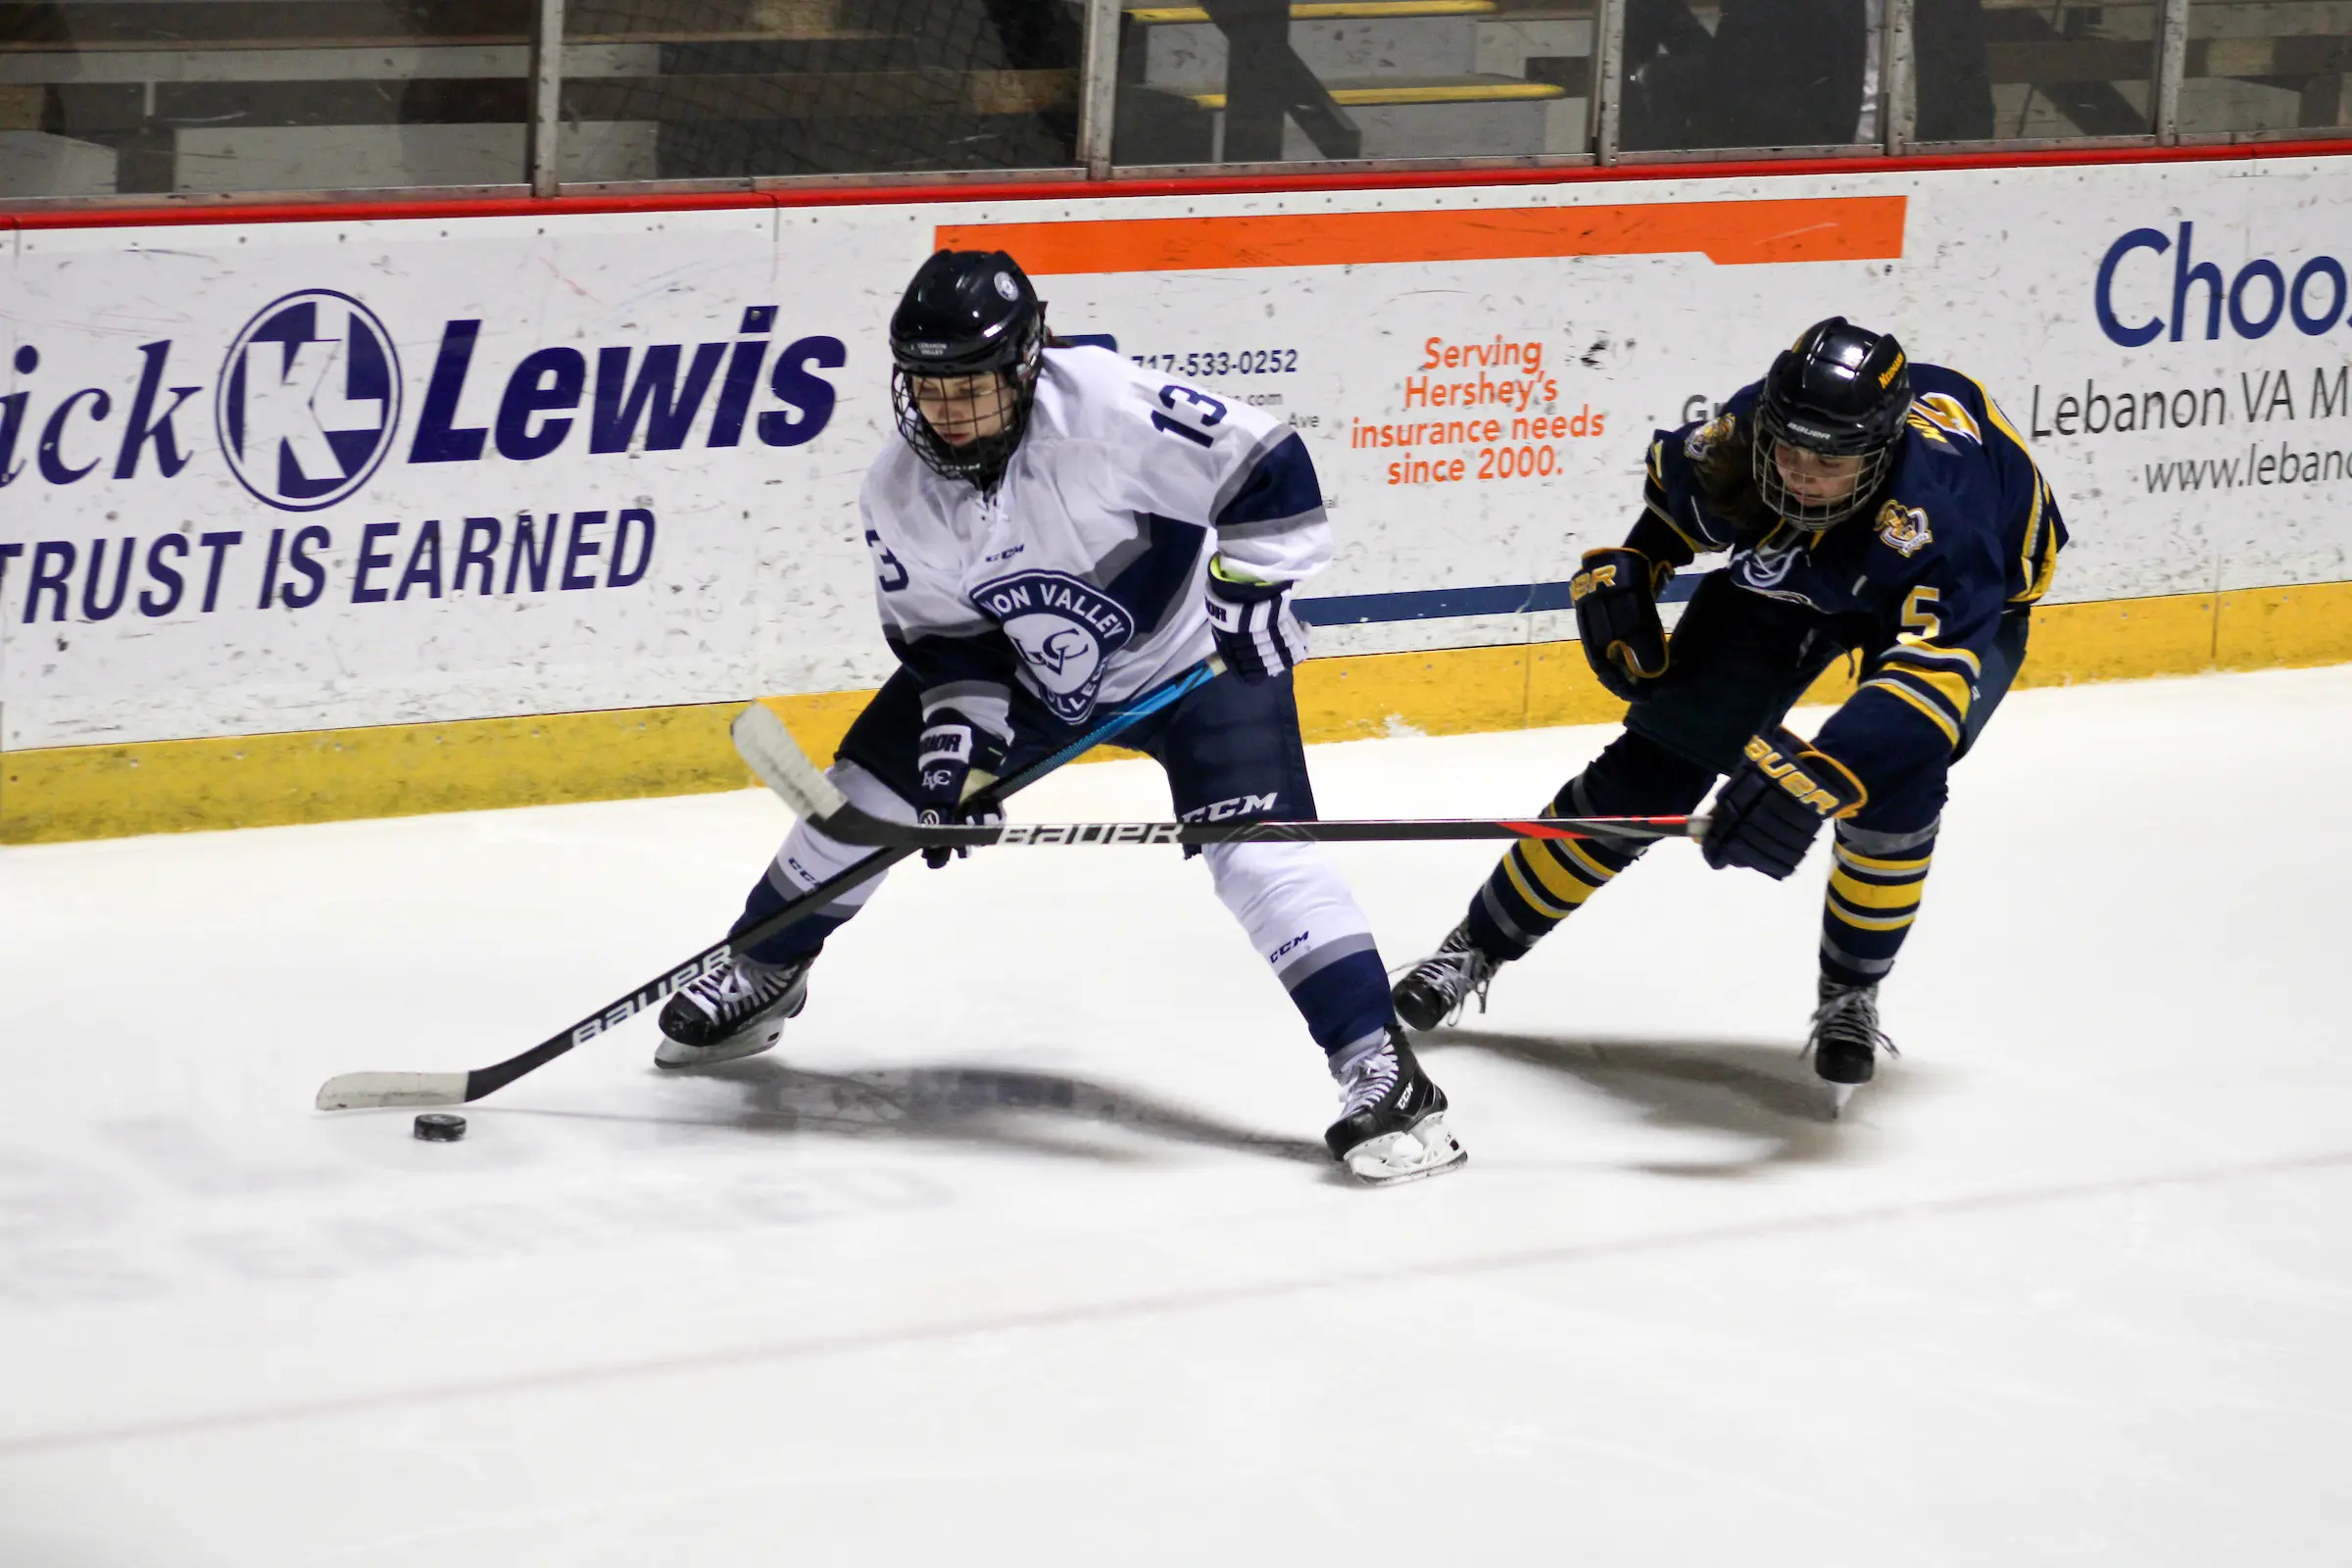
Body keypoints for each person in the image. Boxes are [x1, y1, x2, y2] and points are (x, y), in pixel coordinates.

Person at [653, 249, 1466, 1185]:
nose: (947, 412)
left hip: (1193, 660)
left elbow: (1266, 465)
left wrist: (1245, 595)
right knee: (865, 795)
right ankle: (763, 970)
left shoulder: (1107, 409)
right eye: (927, 387)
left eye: (971, 387)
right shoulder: (897, 490)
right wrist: (960, 751)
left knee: (1260, 857)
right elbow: (950, 644)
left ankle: (1381, 1070)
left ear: (1026, 364)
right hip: (1037, 668)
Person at [1390, 318, 2065, 1111]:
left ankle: (1851, 995)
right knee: (1651, 770)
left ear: (1877, 454)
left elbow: (1929, 684)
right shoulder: (1749, 431)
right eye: (1790, 450)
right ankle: (1475, 945)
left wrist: (1822, 776)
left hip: (1958, 608)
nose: (1802, 474)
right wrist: (1642, 562)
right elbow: (1682, 507)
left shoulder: (1940, 512)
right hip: (1806, 577)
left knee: (1897, 786)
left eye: (1828, 461)